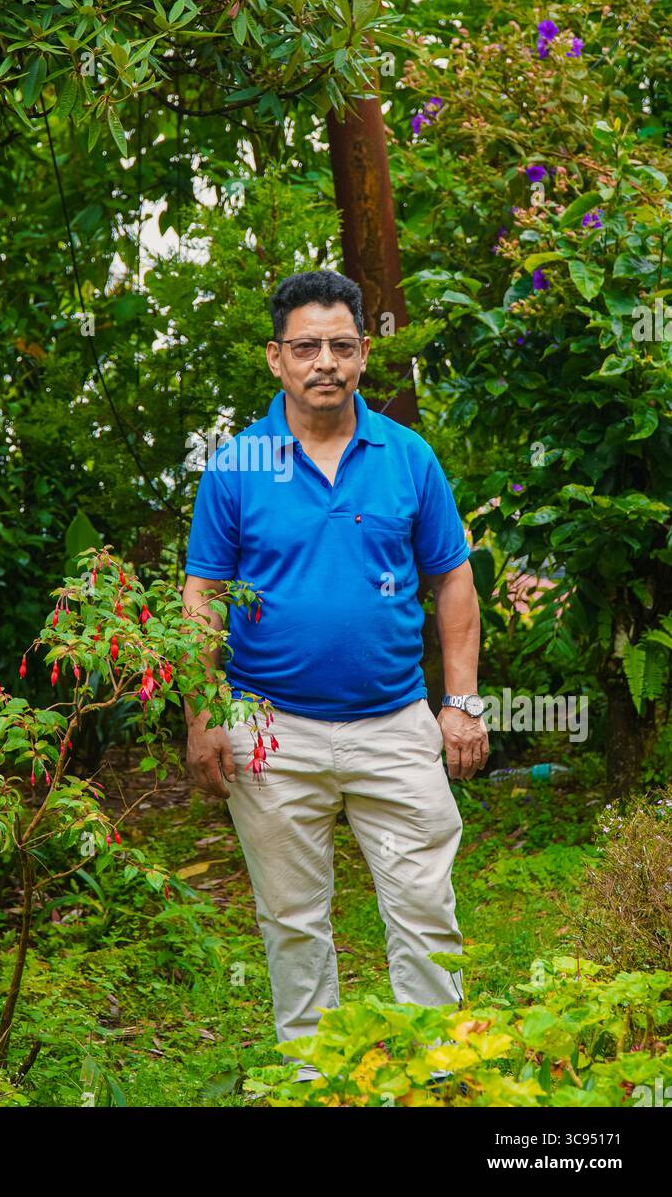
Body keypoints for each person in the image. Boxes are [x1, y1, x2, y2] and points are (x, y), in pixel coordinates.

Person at [181, 270, 489, 1083]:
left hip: (395, 724)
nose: (326, 361)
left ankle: (437, 1079)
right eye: (307, 346)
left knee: (425, 911)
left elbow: (453, 580)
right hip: (269, 729)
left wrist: (460, 704)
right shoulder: (237, 464)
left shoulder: (407, 457)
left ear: (363, 354)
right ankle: (315, 1085)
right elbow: (202, 595)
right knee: (291, 920)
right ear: (275, 358)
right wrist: (201, 715)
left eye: (342, 345)